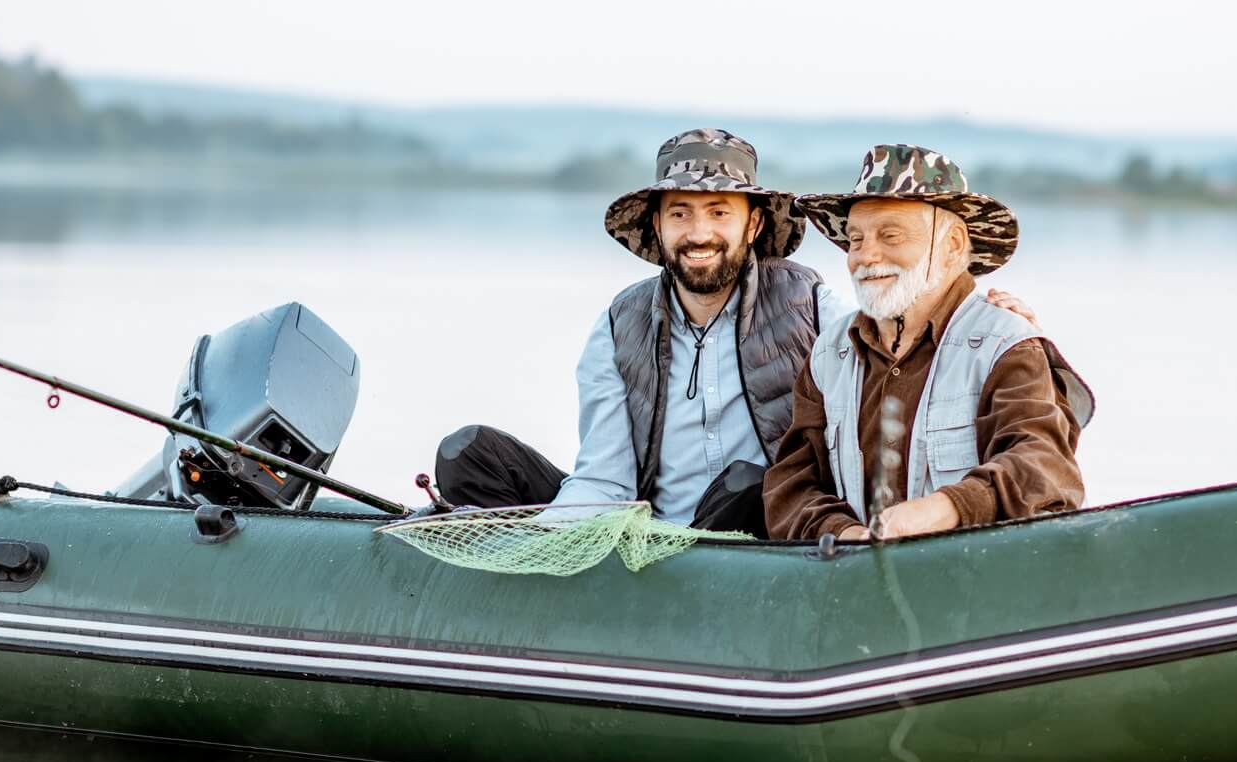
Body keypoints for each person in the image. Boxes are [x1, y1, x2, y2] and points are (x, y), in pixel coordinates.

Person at [434, 130, 1038, 536]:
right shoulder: (620, 324)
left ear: (753, 226)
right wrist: (547, 541)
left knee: (751, 482)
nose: (700, 233)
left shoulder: (812, 304)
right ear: (659, 228)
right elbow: (604, 476)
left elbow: (894, 352)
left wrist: (981, 330)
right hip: (637, 524)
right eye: (680, 214)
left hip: (758, 525)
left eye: (719, 212)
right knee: (469, 453)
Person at [763, 145, 1094, 543]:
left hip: (977, 588)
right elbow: (790, 484)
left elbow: (1044, 467)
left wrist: (944, 509)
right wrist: (842, 532)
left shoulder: (1007, 343)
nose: (866, 256)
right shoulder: (829, 351)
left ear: (953, 244)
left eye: (890, 235)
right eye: (855, 240)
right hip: (857, 582)